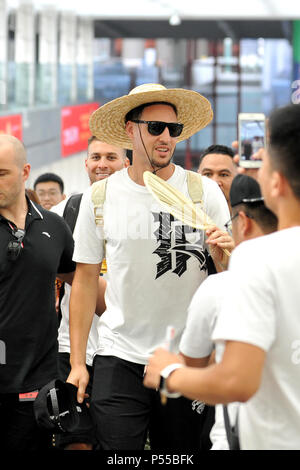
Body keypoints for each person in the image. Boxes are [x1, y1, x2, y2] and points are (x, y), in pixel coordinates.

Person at [67, 83, 231, 451]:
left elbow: (231, 280)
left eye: (173, 129)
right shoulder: (101, 196)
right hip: (118, 353)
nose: (166, 138)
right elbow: (85, 280)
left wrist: (225, 257)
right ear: (130, 129)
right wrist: (78, 363)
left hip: (187, 356)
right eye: (155, 127)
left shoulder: (203, 192)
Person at [143, 103, 300, 450]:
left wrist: (170, 372)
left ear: (276, 183)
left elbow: (236, 381)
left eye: (265, 154)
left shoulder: (259, 260)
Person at [178, 174, 277, 450]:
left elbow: (194, 370)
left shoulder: (218, 289)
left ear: (242, 222)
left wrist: (166, 370)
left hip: (238, 438)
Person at [51, 136, 129, 450]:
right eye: (95, 156)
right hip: (71, 347)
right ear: (85, 163)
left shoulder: (143, 212)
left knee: (117, 442)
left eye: (111, 157)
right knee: (75, 442)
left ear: (126, 163)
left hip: (123, 351)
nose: (102, 164)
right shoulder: (62, 212)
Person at [0, 135, 75, 451]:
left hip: (38, 385)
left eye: (1, 173)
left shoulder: (54, 227)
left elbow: (80, 281)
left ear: (24, 170)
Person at [198, 144, 237, 211]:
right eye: (207, 174)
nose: (215, 182)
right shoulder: (183, 218)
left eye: (224, 175)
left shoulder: (251, 220)